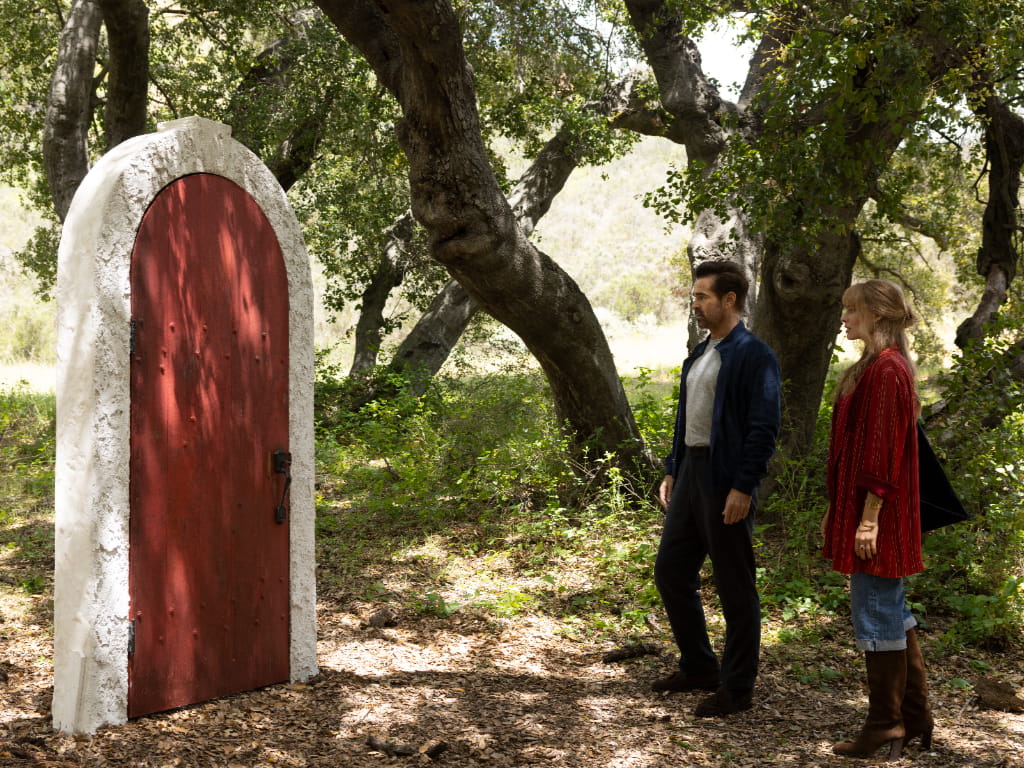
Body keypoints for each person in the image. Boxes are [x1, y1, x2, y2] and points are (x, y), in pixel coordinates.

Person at [653, 259, 781, 717]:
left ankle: (738, 685)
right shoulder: (701, 351)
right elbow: (686, 418)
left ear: (730, 300)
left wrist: (744, 486)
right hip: (691, 473)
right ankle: (699, 666)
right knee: (671, 570)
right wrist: (673, 468)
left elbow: (764, 428)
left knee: (734, 585)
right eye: (693, 297)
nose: (696, 304)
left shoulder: (754, 355)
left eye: (702, 296)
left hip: (726, 477)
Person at [821, 279, 931, 761]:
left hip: (878, 514)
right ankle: (915, 715)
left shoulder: (888, 370)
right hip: (863, 509)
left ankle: (886, 724)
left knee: (877, 609)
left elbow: (883, 456)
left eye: (851, 310)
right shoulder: (870, 366)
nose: (844, 317)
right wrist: (835, 509)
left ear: (878, 314)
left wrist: (869, 520)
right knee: (888, 606)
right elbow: (851, 451)